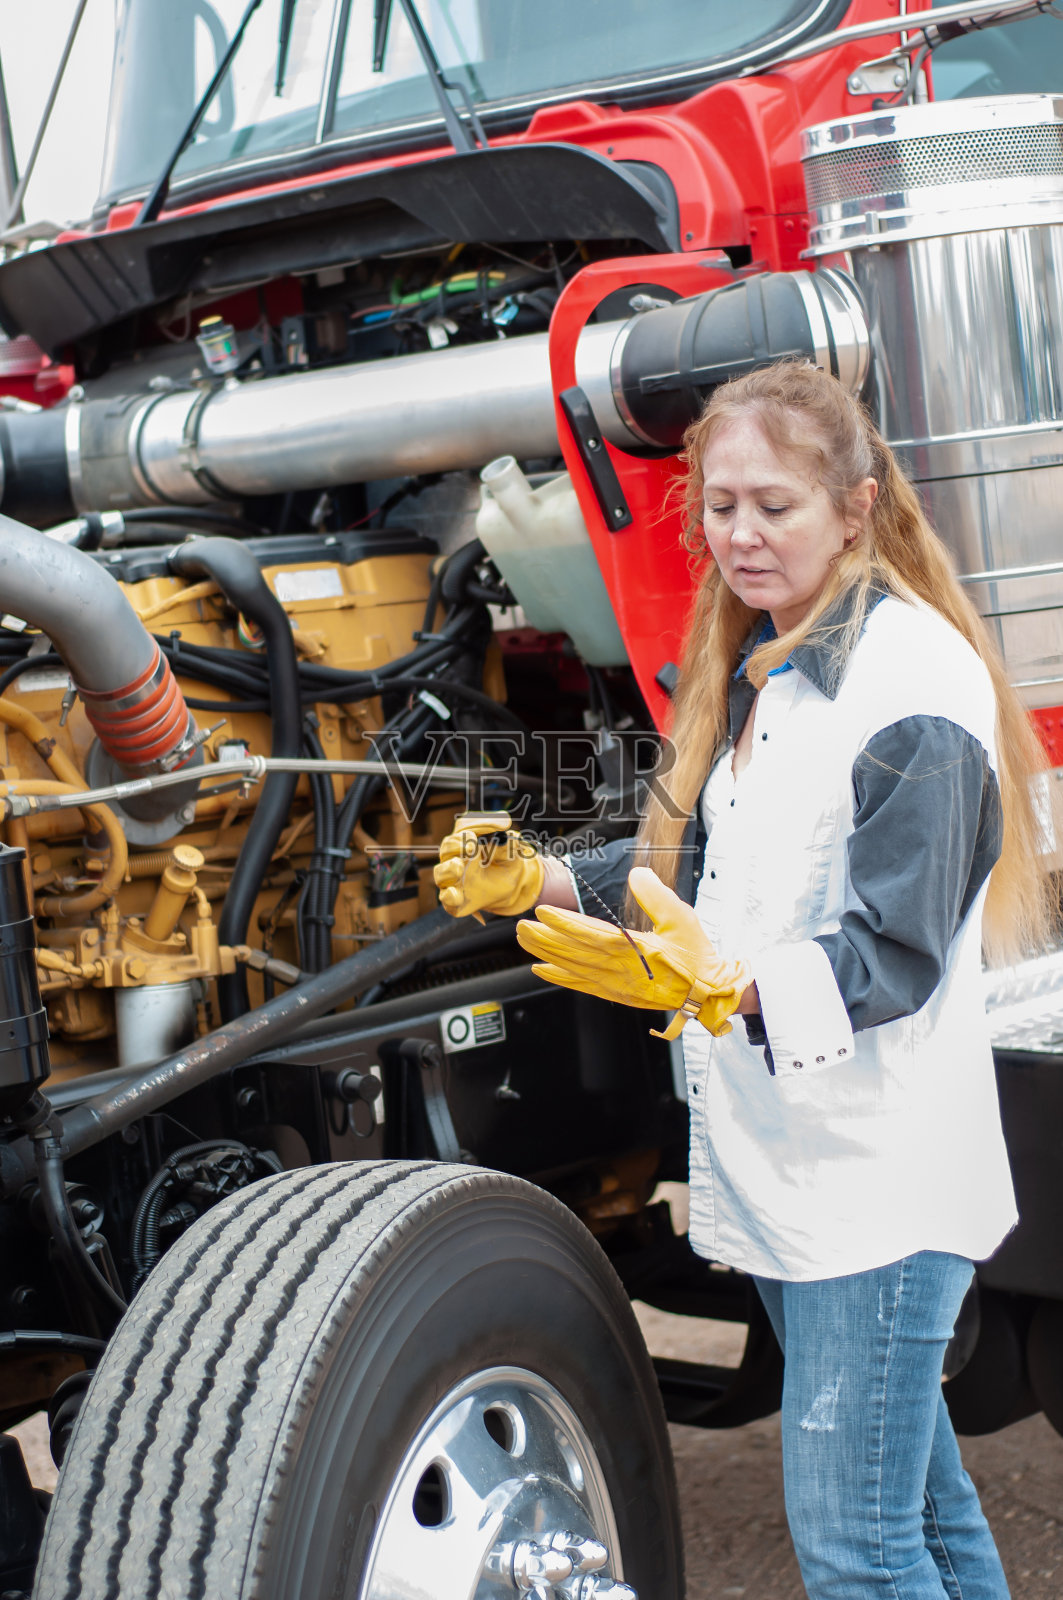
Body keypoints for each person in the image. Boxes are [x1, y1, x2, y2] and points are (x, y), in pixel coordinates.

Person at [433, 360, 1049, 1599]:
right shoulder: (770, 662)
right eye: (721, 506)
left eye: (775, 505)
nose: (742, 534)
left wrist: (732, 987)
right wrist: (539, 879)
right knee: (921, 1515)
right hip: (794, 1173)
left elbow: (895, 950)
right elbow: (705, 867)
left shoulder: (911, 687)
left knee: (856, 1550)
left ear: (855, 507)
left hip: (873, 1194)